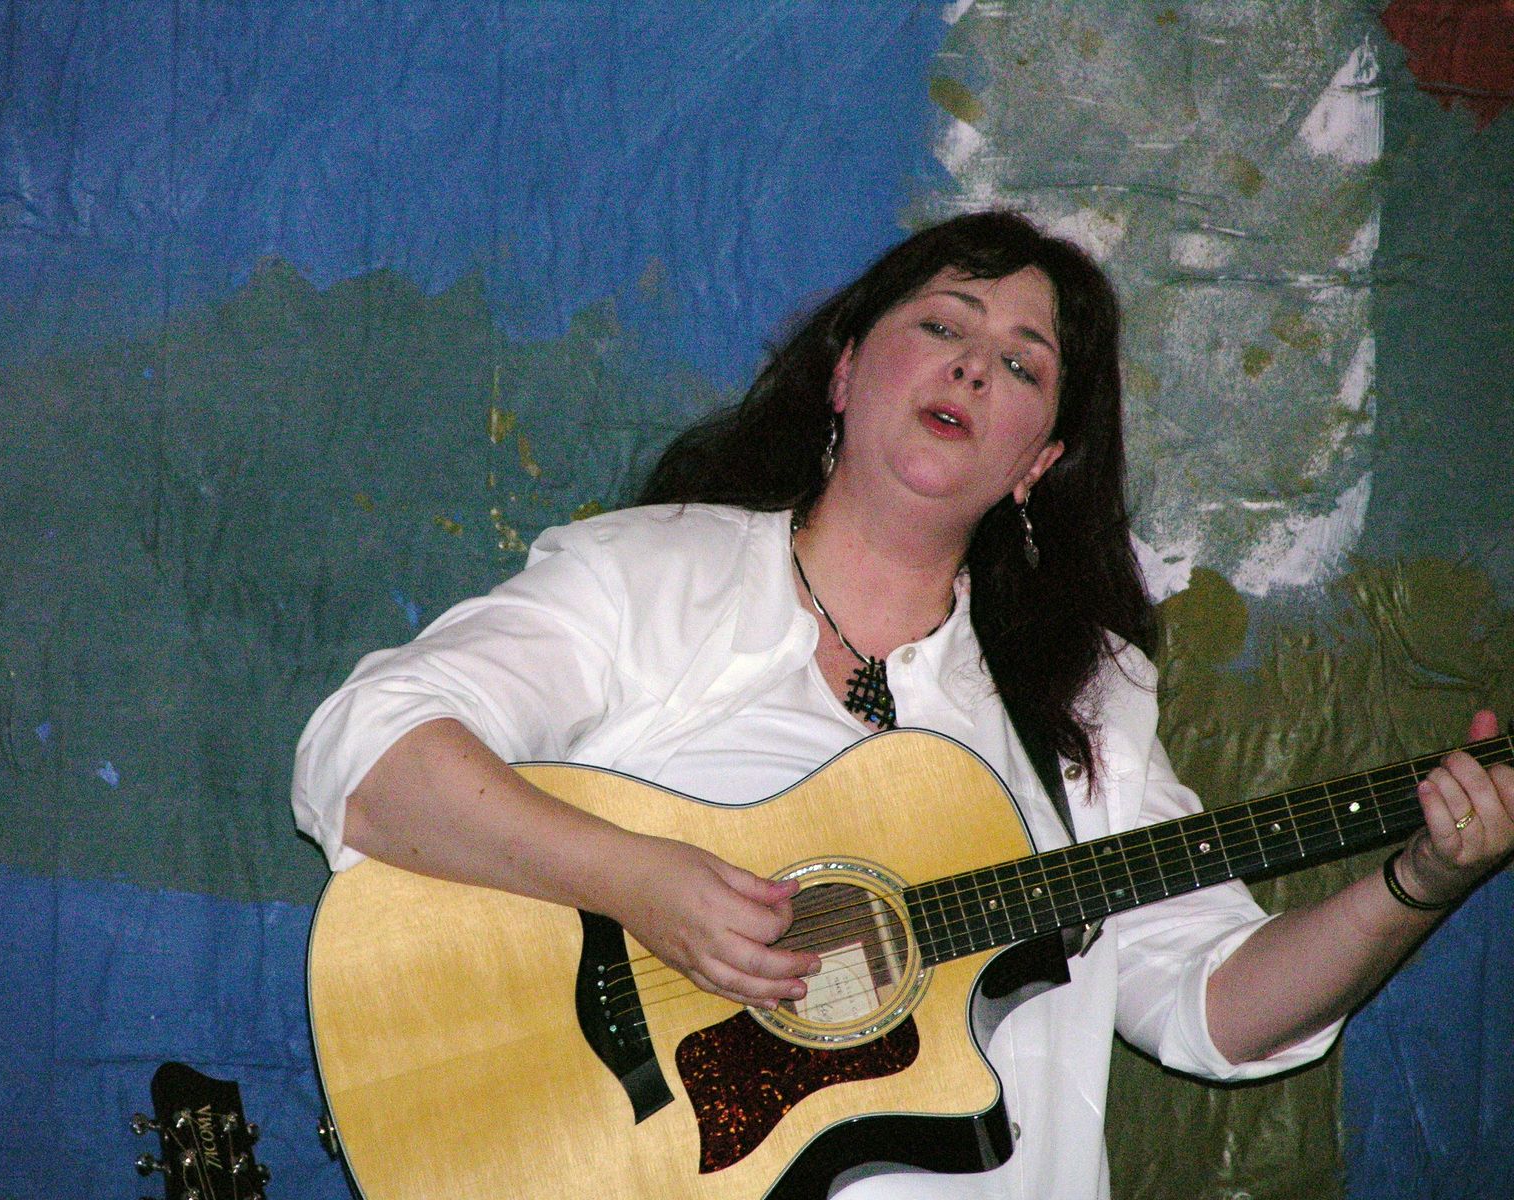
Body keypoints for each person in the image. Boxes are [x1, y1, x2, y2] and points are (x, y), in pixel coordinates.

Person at [292, 211, 1514, 1199]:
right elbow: (367, 753)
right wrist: (640, 884)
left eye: (1023, 365)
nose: (975, 365)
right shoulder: (655, 575)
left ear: (1037, 461)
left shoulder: (1089, 702)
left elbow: (1212, 1004)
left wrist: (1417, 883)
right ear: (843, 371)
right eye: (942, 324)